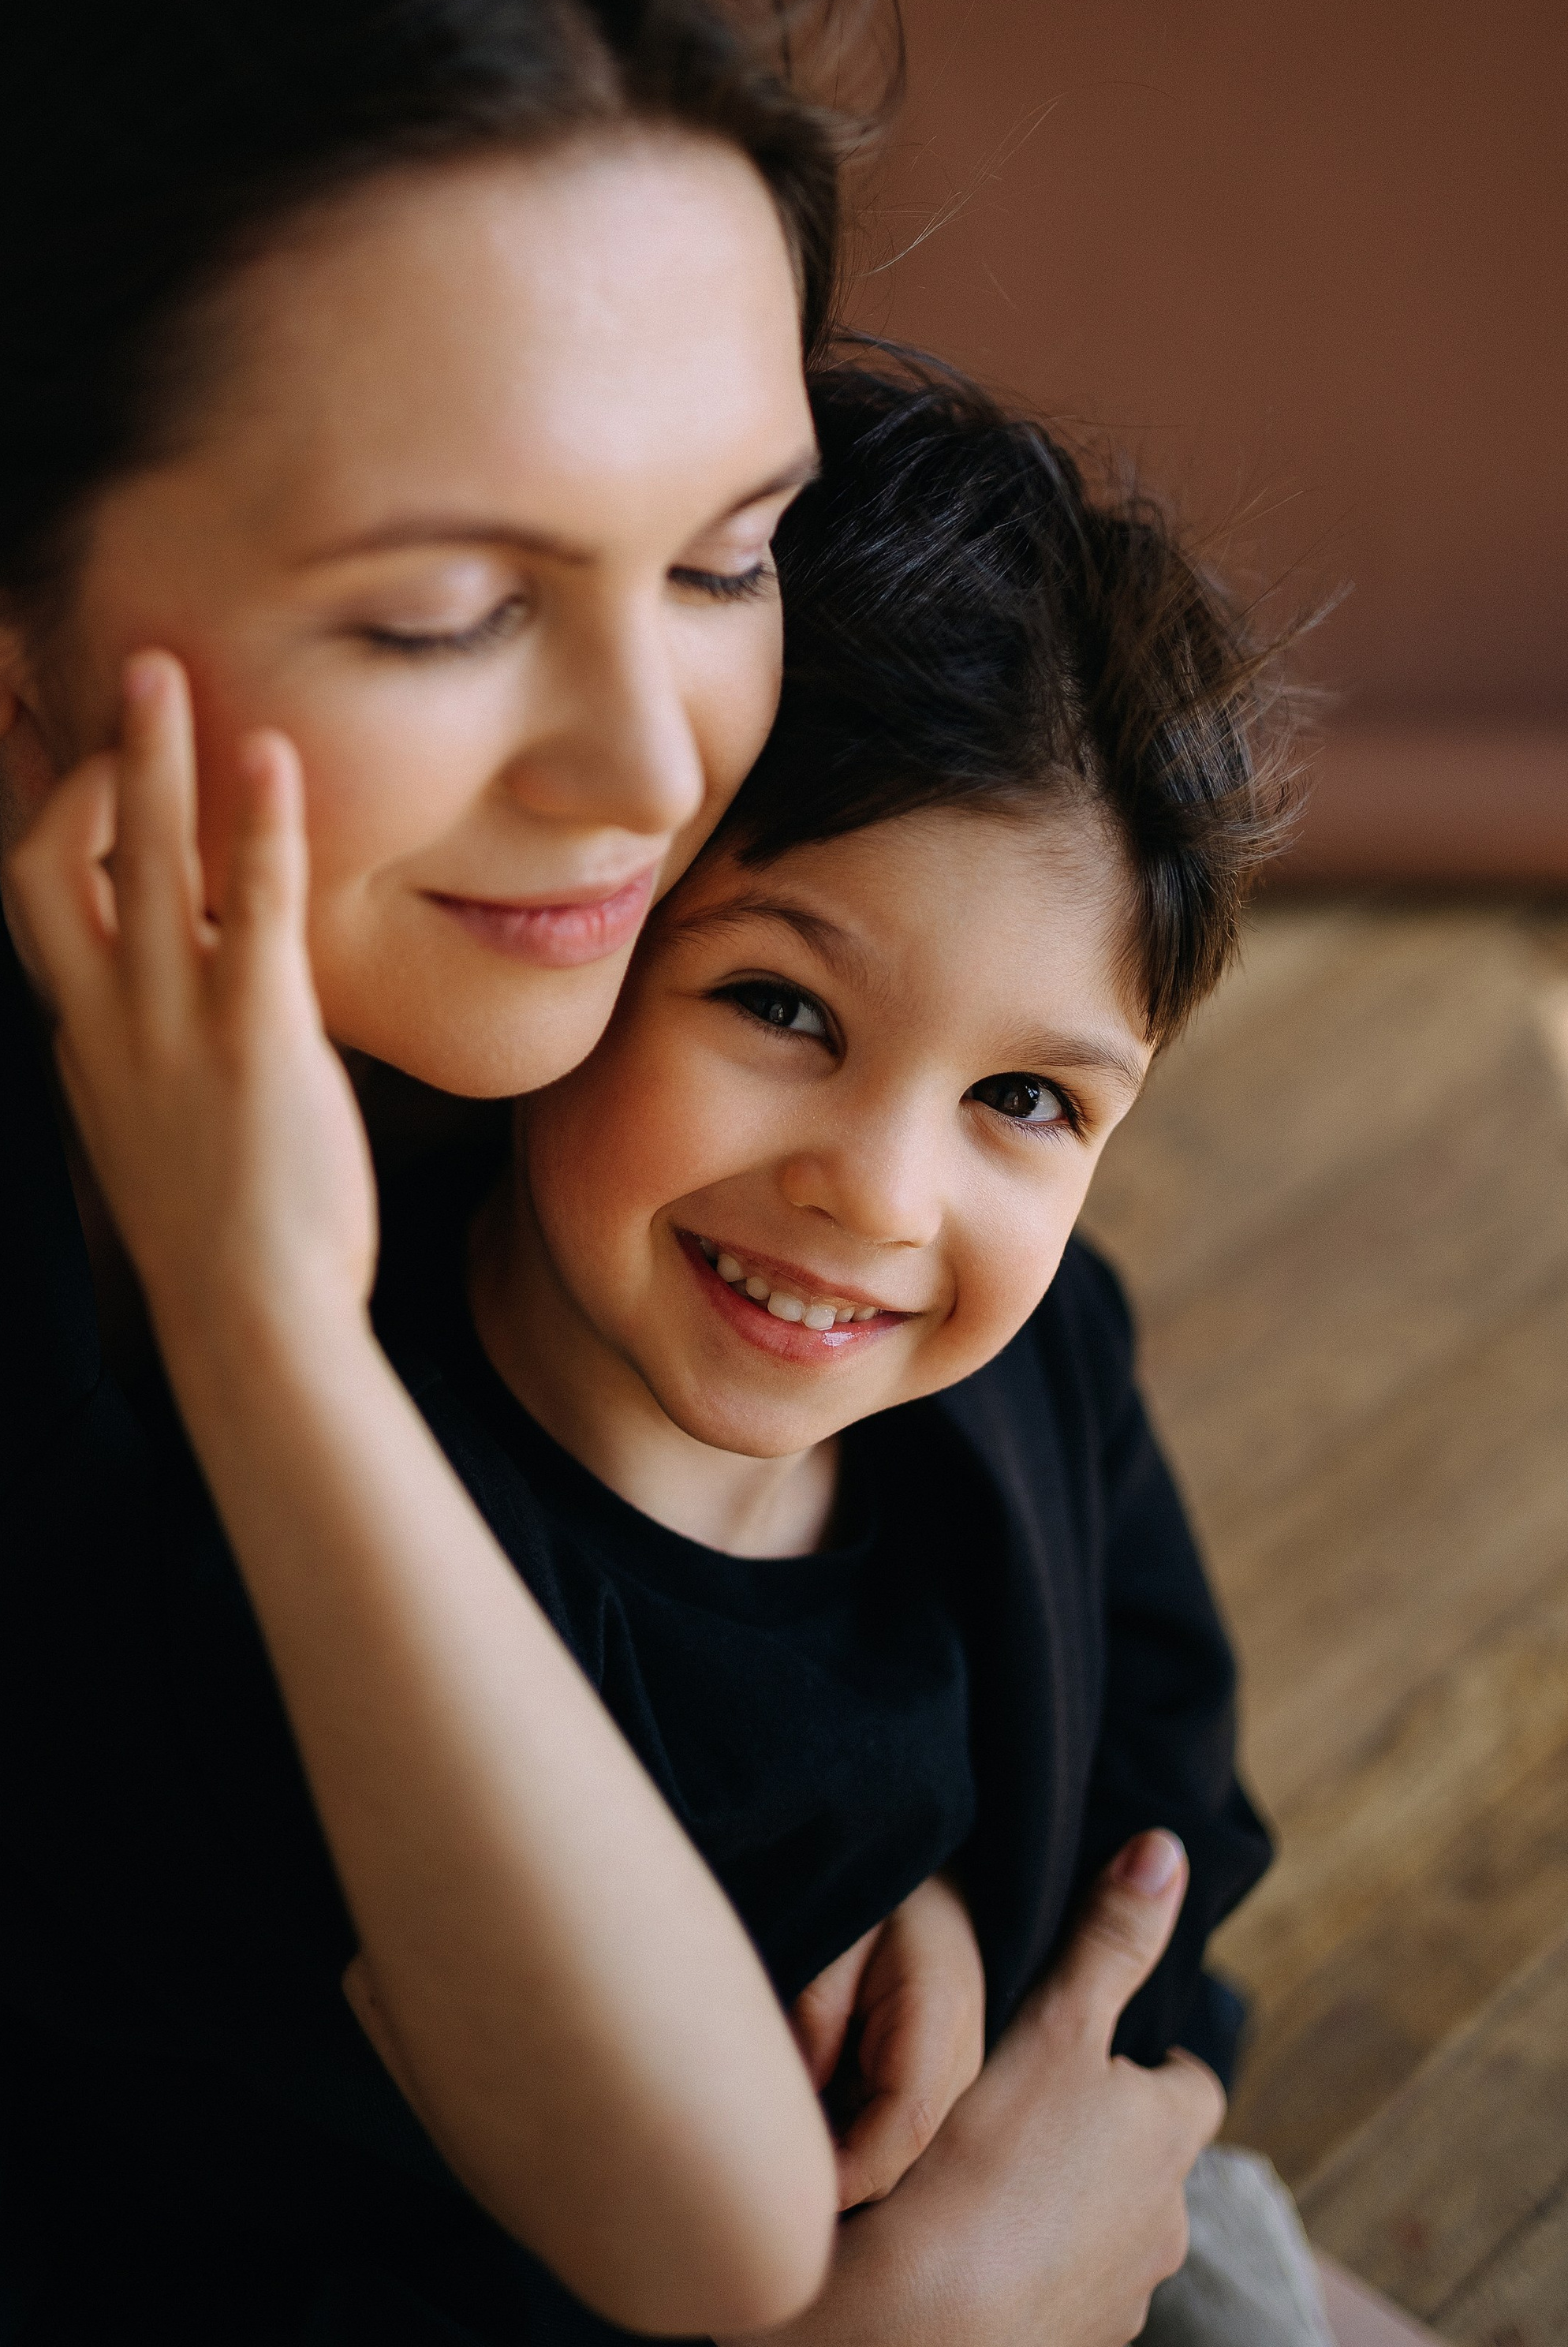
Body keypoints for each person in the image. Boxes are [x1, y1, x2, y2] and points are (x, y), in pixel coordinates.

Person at [0, 0, 1219, 2345]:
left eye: (726, 554)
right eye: (446, 610)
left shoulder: (735, 980)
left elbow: (1072, 1606)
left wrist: (915, 1883)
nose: (658, 770)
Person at [343, 355, 1307, 2341]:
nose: (876, 1196)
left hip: (1067, 2169)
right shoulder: (372, 1546)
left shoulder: (1031, 1379)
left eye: (1026, 1103)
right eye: (782, 1007)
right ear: (580, 936)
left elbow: (1170, 1793)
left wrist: (994, 1938)